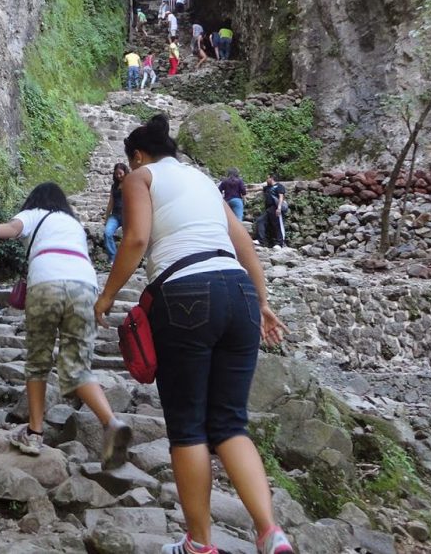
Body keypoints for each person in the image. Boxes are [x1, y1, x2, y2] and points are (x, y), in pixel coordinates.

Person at [94, 116, 294, 554]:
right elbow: (242, 241)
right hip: (239, 292)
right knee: (229, 424)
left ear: (137, 155)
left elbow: (136, 239)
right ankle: (270, 532)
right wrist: (261, 303)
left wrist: (107, 296)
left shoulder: (139, 177)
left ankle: (200, 544)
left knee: (188, 430)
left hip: (184, 292)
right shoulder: (204, 181)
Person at [0, 183, 132, 464]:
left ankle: (34, 433)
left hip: (47, 282)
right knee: (78, 368)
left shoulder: (35, 213)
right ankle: (111, 423)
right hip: (85, 286)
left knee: (38, 360)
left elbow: (15, 228)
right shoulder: (73, 223)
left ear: (35, 200)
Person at [103, 163, 130, 262]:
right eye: (116, 174)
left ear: (125, 172)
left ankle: (128, 259)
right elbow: (111, 202)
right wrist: (106, 217)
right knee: (107, 233)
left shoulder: (130, 184)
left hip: (127, 216)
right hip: (115, 215)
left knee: (128, 238)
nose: (118, 176)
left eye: (120, 173)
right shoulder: (114, 186)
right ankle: (113, 257)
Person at [258, 174, 287, 248]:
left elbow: (281, 197)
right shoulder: (267, 187)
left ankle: (280, 243)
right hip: (268, 208)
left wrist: (279, 208)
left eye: (267, 178)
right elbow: (258, 188)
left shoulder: (279, 186)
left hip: (276, 207)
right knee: (260, 220)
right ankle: (261, 240)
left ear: (271, 178)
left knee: (277, 225)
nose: (266, 180)